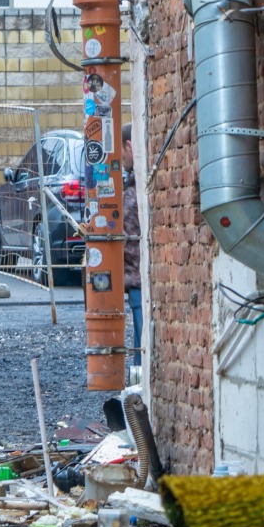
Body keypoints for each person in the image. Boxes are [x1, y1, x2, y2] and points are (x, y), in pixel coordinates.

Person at [122, 123, 142, 367]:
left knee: (141, 345)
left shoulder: (138, 186)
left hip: (137, 277)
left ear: (129, 145)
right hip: (134, 277)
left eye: (121, 153)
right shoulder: (133, 182)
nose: (120, 159)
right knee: (139, 343)